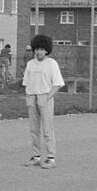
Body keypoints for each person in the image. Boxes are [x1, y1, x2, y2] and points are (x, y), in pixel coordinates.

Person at [22, 33, 64, 169]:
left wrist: (47, 97)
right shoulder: (30, 64)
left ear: (46, 50)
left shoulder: (52, 64)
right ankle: (36, 156)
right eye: (37, 49)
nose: (39, 52)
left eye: (42, 49)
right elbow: (26, 82)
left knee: (47, 129)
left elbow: (57, 84)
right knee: (34, 129)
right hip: (32, 97)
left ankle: (51, 158)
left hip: (45, 97)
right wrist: (28, 97)